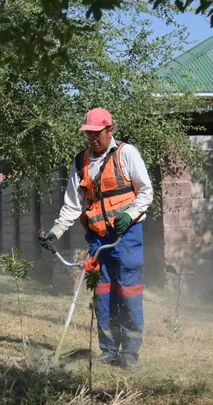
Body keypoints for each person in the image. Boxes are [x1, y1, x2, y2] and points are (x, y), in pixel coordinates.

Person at [39, 108, 153, 370]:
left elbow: (146, 192)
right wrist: (55, 232)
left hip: (127, 235)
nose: (93, 138)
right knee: (102, 294)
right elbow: (71, 206)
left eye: (97, 133)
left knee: (128, 292)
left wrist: (131, 214)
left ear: (109, 131)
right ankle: (109, 351)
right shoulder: (81, 163)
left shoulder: (127, 154)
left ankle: (130, 354)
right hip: (98, 240)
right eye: (88, 134)